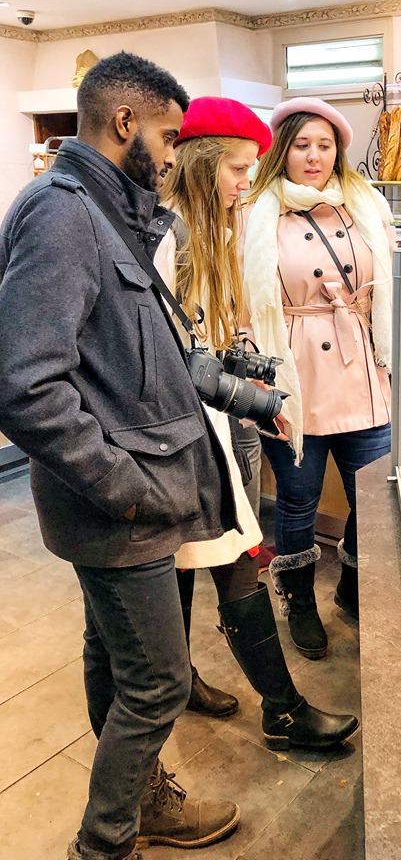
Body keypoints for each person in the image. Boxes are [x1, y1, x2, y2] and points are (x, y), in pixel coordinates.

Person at [0, 52, 243, 860]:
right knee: (159, 681)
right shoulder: (63, 213)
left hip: (131, 494)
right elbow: (26, 384)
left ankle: (143, 802)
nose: (176, 155)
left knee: (116, 655)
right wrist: (127, 489)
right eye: (171, 137)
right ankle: (104, 844)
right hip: (118, 506)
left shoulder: (112, 212)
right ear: (126, 123)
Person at [156, 94, 359, 748]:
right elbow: (176, 358)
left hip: (208, 429)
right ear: (201, 161)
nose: (249, 181)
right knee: (231, 558)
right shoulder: (167, 235)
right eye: (239, 167)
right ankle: (282, 709)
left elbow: (216, 336)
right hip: (180, 438)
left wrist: (258, 371)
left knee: (205, 559)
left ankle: (195, 680)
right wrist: (262, 400)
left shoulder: (218, 228)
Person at [242, 97, 393, 659]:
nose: (314, 157)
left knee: (372, 496)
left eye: (325, 146)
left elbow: (391, 277)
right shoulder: (256, 212)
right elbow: (241, 302)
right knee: (300, 500)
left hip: (362, 367)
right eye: (302, 145)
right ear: (283, 149)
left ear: (339, 152)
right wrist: (257, 378)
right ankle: (299, 600)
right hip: (294, 368)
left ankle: (354, 589)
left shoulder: (364, 205)